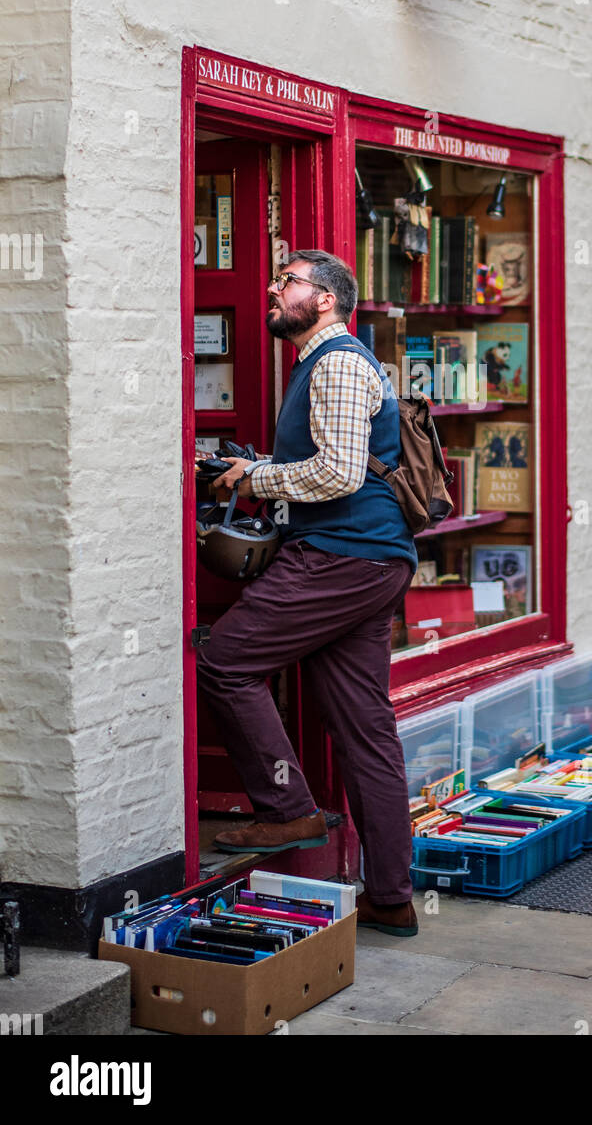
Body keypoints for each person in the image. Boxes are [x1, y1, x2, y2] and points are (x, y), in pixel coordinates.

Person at [195, 250, 419, 936]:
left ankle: (286, 808)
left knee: (224, 661)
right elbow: (323, 464)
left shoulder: (342, 363)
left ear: (325, 299)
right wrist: (254, 466)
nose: (270, 287)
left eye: (286, 280)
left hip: (341, 557)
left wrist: (254, 482)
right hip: (364, 561)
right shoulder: (316, 365)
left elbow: (340, 474)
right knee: (365, 729)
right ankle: (390, 897)